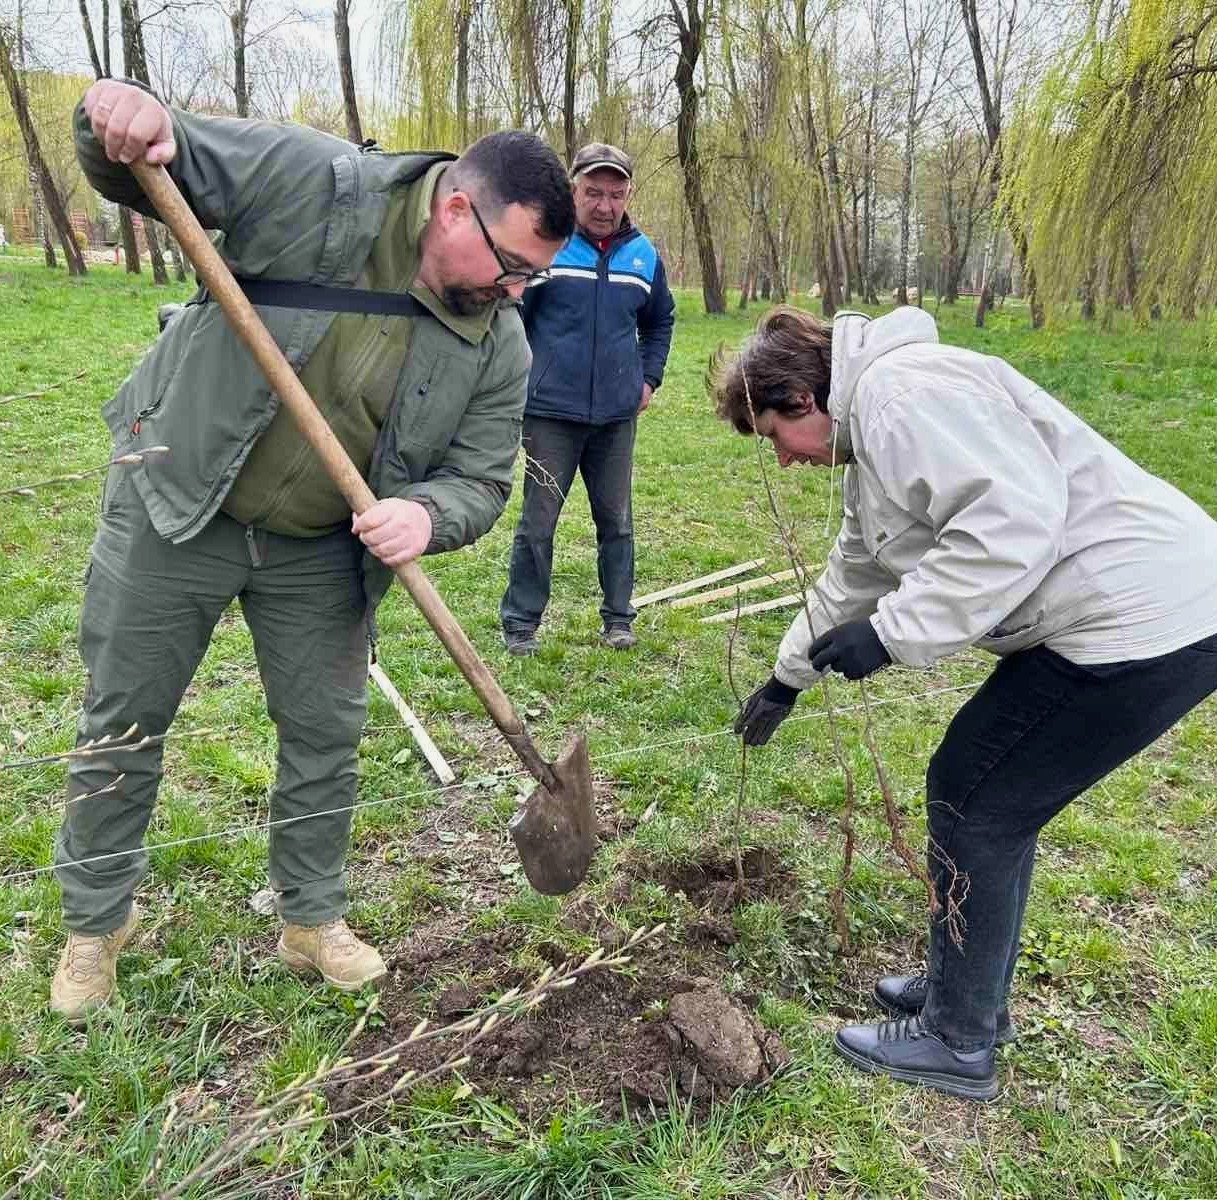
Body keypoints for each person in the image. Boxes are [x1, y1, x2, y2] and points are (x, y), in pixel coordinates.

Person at [51, 78, 575, 1024]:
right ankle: (95, 927)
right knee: (124, 718)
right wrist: (119, 118)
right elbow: (151, 160)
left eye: (529, 278)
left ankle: (311, 920)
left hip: (320, 551)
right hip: (181, 499)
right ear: (455, 206)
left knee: (326, 737)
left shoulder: (499, 340)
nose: (512, 290)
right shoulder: (324, 186)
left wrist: (426, 514)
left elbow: (482, 479)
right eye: (509, 265)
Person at [714, 304, 1217, 1101]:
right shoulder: (873, 435)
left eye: (772, 436)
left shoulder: (901, 397)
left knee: (978, 800)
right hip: (1111, 613)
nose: (781, 460)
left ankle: (957, 1039)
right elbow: (856, 569)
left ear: (801, 401)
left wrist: (889, 636)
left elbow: (1009, 523)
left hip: (1140, 617)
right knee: (981, 796)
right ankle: (965, 993)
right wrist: (786, 677)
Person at [499, 142, 675, 654]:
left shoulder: (644, 255)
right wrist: (520, 381)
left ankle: (619, 618)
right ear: (572, 190)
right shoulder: (546, 247)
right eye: (593, 192)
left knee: (616, 520)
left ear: (628, 196)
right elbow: (511, 319)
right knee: (538, 521)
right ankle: (521, 625)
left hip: (617, 416)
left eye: (615, 194)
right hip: (550, 412)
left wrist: (649, 377)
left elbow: (659, 320)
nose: (604, 205)